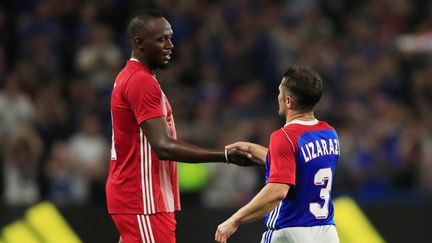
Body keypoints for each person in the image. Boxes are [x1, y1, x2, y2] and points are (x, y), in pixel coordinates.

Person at [106, 9, 256, 243]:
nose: (170, 45)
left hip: (143, 198)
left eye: (170, 37)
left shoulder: (136, 77)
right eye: (161, 39)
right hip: (143, 199)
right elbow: (163, 146)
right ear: (139, 43)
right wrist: (225, 155)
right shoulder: (140, 81)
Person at [215, 65, 340, 243]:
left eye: (280, 91)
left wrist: (234, 219)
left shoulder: (284, 137)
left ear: (288, 101)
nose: (278, 96)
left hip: (290, 232)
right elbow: (301, 167)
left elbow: (277, 191)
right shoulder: (330, 134)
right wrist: (254, 150)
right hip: (327, 232)